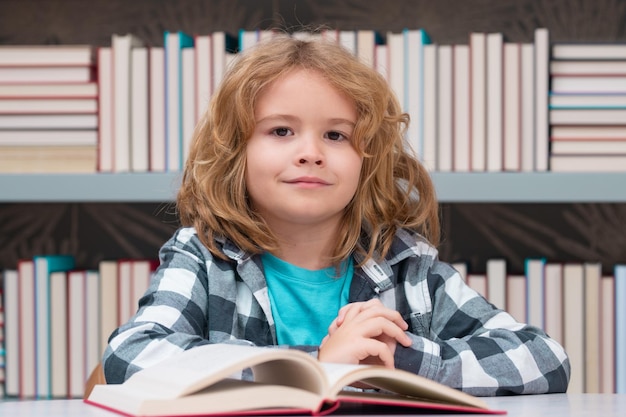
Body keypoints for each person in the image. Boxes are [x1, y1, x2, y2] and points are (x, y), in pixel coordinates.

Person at [102, 34, 570, 396]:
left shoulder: (408, 266)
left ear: (367, 159)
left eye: (336, 136)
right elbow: (132, 355)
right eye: (281, 130)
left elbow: (544, 358)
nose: (310, 153)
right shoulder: (203, 258)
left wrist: (397, 359)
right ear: (234, 153)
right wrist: (317, 365)